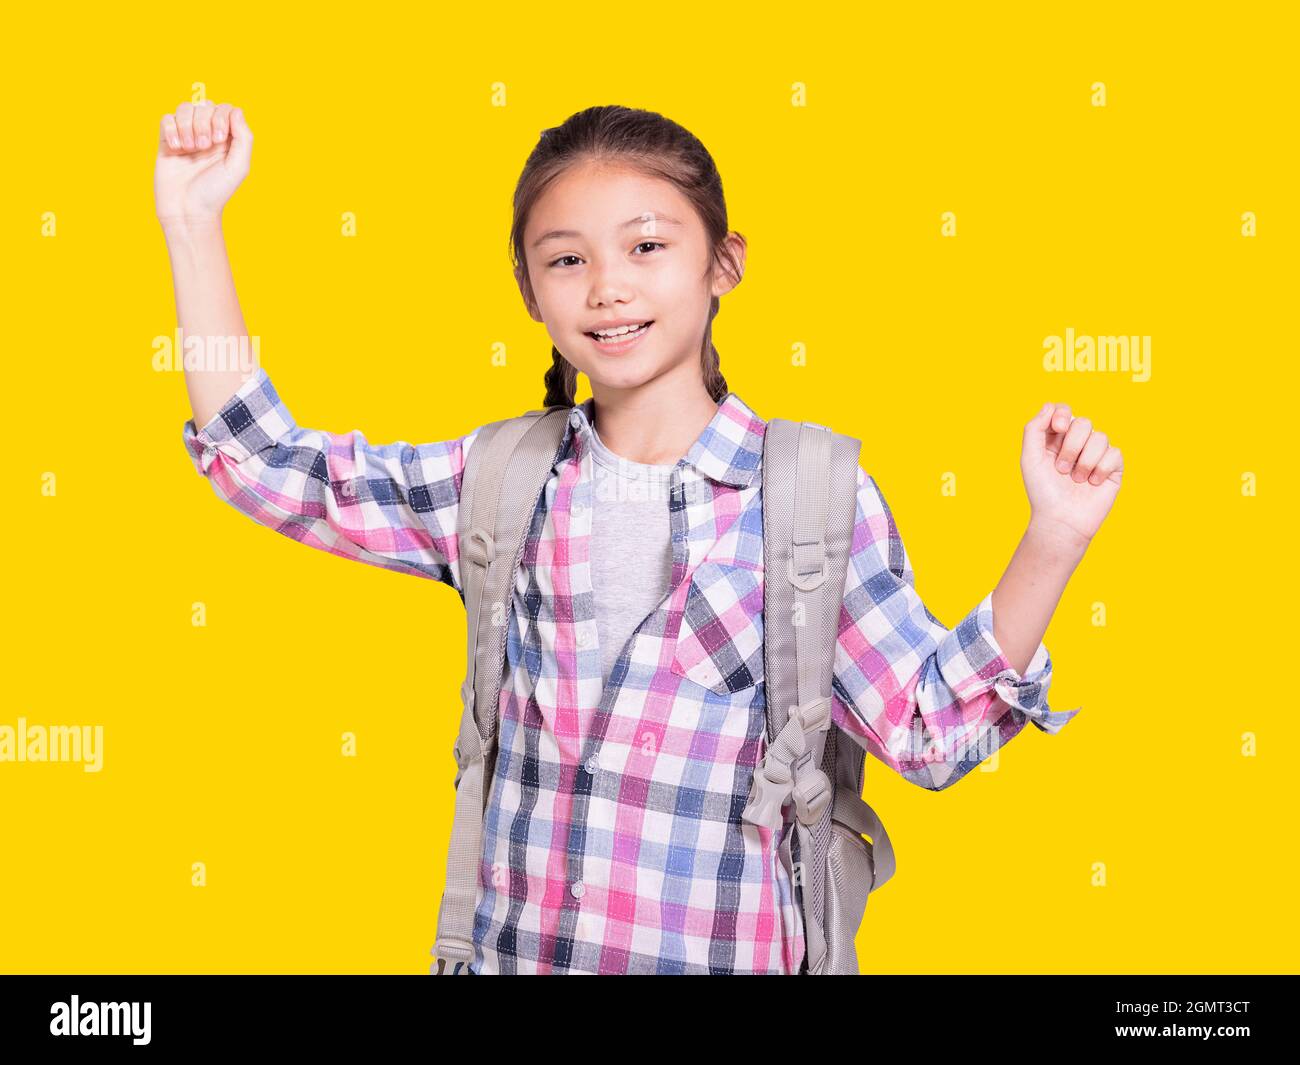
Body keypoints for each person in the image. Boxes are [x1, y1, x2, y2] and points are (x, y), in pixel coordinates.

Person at [156, 101, 1123, 975]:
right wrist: (194, 225)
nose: (608, 287)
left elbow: (932, 733)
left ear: (724, 264)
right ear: (531, 292)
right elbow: (268, 464)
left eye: (648, 247)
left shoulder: (812, 498)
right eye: (568, 258)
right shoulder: (497, 482)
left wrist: (1055, 536)